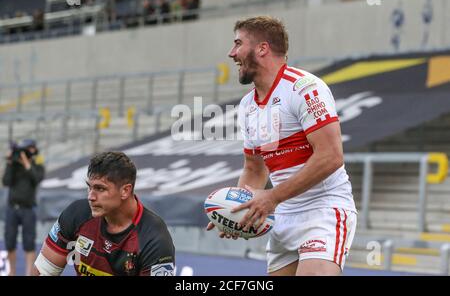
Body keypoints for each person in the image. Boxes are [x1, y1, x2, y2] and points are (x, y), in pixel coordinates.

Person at [207, 16, 357, 276]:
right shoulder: (247, 105)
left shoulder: (305, 88)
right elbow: (254, 170)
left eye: (238, 44)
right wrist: (239, 214)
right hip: (284, 217)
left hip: (324, 212)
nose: (232, 53)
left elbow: (331, 156)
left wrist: (272, 198)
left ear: (262, 48)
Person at [31, 151, 175, 276]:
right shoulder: (76, 214)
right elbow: (43, 271)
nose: (91, 197)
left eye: (100, 189)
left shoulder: (155, 240)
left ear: (125, 190)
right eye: (90, 187)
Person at [2, 139, 45, 276]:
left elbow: (36, 179)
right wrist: (9, 162)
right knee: (9, 242)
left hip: (28, 209)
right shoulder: (14, 166)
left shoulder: (37, 166)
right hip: (12, 208)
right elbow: (6, 181)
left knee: (29, 242)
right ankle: (12, 272)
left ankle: (28, 273)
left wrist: (27, 163)